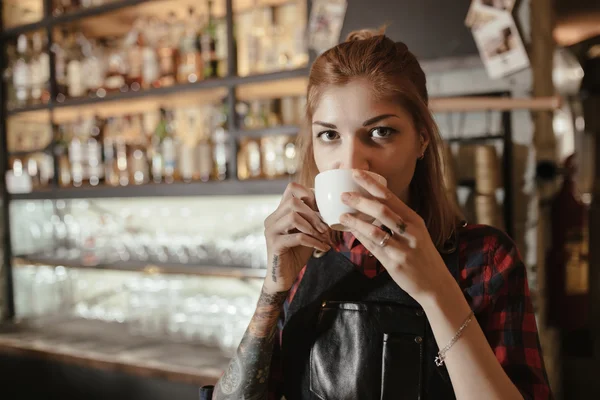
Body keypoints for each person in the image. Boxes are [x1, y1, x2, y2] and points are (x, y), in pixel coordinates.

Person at [213, 28, 552, 400]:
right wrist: (272, 289)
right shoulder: (305, 259)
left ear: (422, 139)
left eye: (380, 132)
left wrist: (436, 291)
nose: (351, 161)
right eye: (329, 135)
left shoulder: (485, 259)